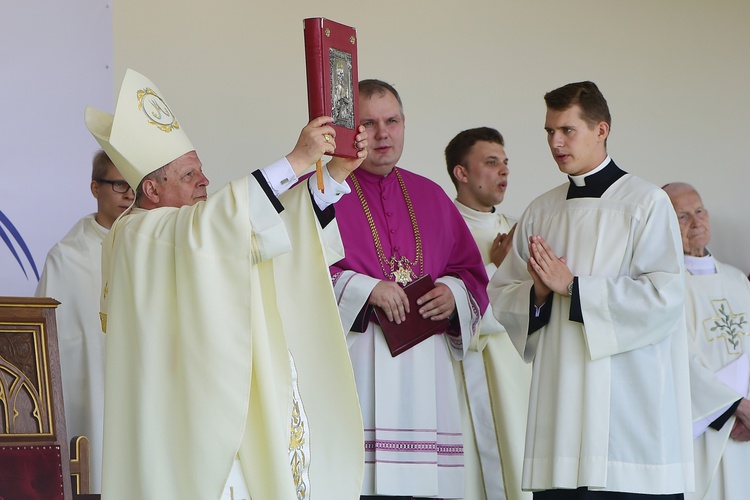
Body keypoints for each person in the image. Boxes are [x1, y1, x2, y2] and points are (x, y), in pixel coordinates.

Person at [84, 68, 368, 500]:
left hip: (224, 409)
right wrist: (295, 161)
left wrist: (334, 177)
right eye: (187, 175)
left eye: (200, 171)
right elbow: (219, 222)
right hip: (179, 419)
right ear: (152, 191)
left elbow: (255, 230)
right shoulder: (135, 235)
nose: (204, 182)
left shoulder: (193, 230)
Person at [488, 81, 694, 499]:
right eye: (549, 131)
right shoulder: (541, 211)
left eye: (567, 130)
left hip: (629, 420)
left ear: (601, 130)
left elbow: (665, 298)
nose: (556, 142)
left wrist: (574, 288)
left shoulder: (646, 203)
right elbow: (504, 291)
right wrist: (540, 296)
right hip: (558, 418)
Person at [328, 79, 489, 499]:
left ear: (404, 124)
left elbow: (470, 271)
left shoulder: (432, 196)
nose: (383, 134)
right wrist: (363, 289)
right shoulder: (323, 193)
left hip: (426, 372)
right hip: (358, 365)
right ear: (352, 131)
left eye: (392, 121)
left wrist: (454, 291)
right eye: (369, 123)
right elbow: (295, 277)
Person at [35, 150, 133, 492]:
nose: (129, 194)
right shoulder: (67, 258)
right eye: (119, 184)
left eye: (134, 184)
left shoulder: (152, 243)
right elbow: (44, 349)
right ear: (95, 188)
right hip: (94, 399)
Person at [445, 126, 532, 500]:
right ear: (461, 173)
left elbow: (532, 308)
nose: (504, 172)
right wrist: (497, 270)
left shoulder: (518, 230)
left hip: (520, 380)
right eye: (491, 162)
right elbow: (452, 316)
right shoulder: (441, 230)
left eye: (506, 163)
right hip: (466, 379)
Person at [662, 182, 750, 500]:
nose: (696, 222)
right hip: (703, 428)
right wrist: (733, 408)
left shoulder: (736, 279)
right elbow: (677, 356)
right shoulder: (663, 286)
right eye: (682, 216)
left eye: (699, 212)